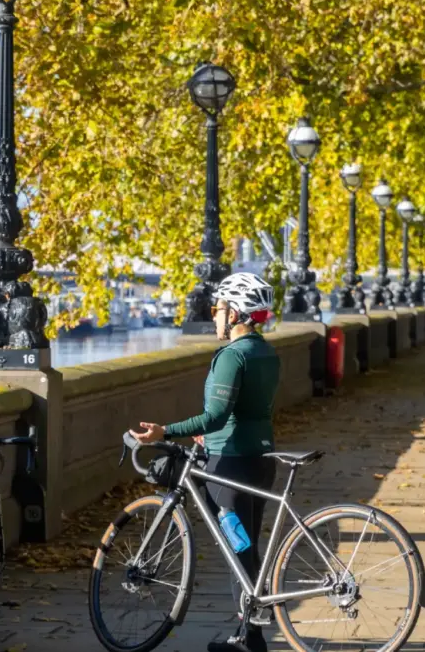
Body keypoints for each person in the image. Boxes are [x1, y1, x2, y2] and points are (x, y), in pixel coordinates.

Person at [130, 272, 280, 652]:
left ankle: (249, 640)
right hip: (260, 459)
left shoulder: (232, 356)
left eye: (217, 308)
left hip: (228, 466)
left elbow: (215, 416)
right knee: (249, 548)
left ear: (235, 312)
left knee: (237, 550)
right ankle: (252, 633)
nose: (214, 315)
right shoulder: (266, 352)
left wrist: (166, 430)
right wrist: (210, 432)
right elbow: (246, 410)